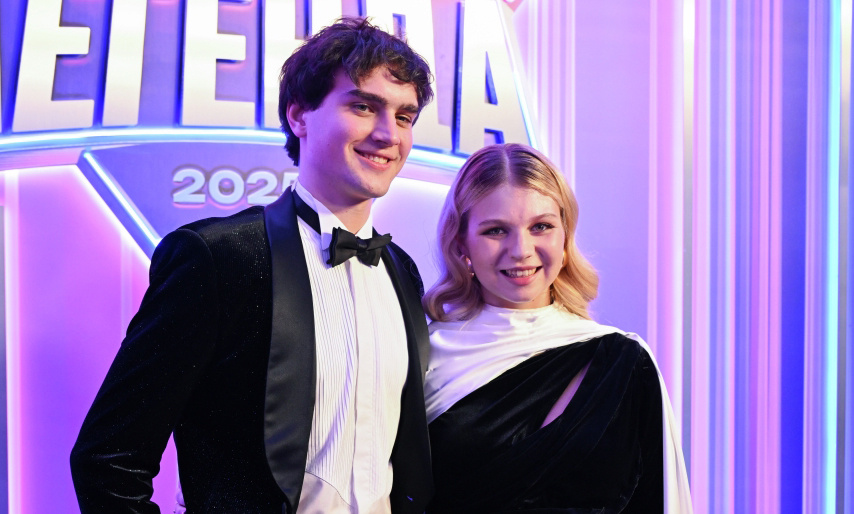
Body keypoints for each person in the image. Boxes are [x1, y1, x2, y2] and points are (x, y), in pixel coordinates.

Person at [70, 17, 434, 514]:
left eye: (405, 116)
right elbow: (108, 460)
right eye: (363, 106)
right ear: (299, 115)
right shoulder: (217, 258)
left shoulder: (401, 271)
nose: (388, 134)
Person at [421, 143, 692, 513]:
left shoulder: (625, 362)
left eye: (541, 227)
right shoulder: (424, 354)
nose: (521, 250)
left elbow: (657, 501)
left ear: (565, 237)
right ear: (460, 244)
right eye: (496, 230)